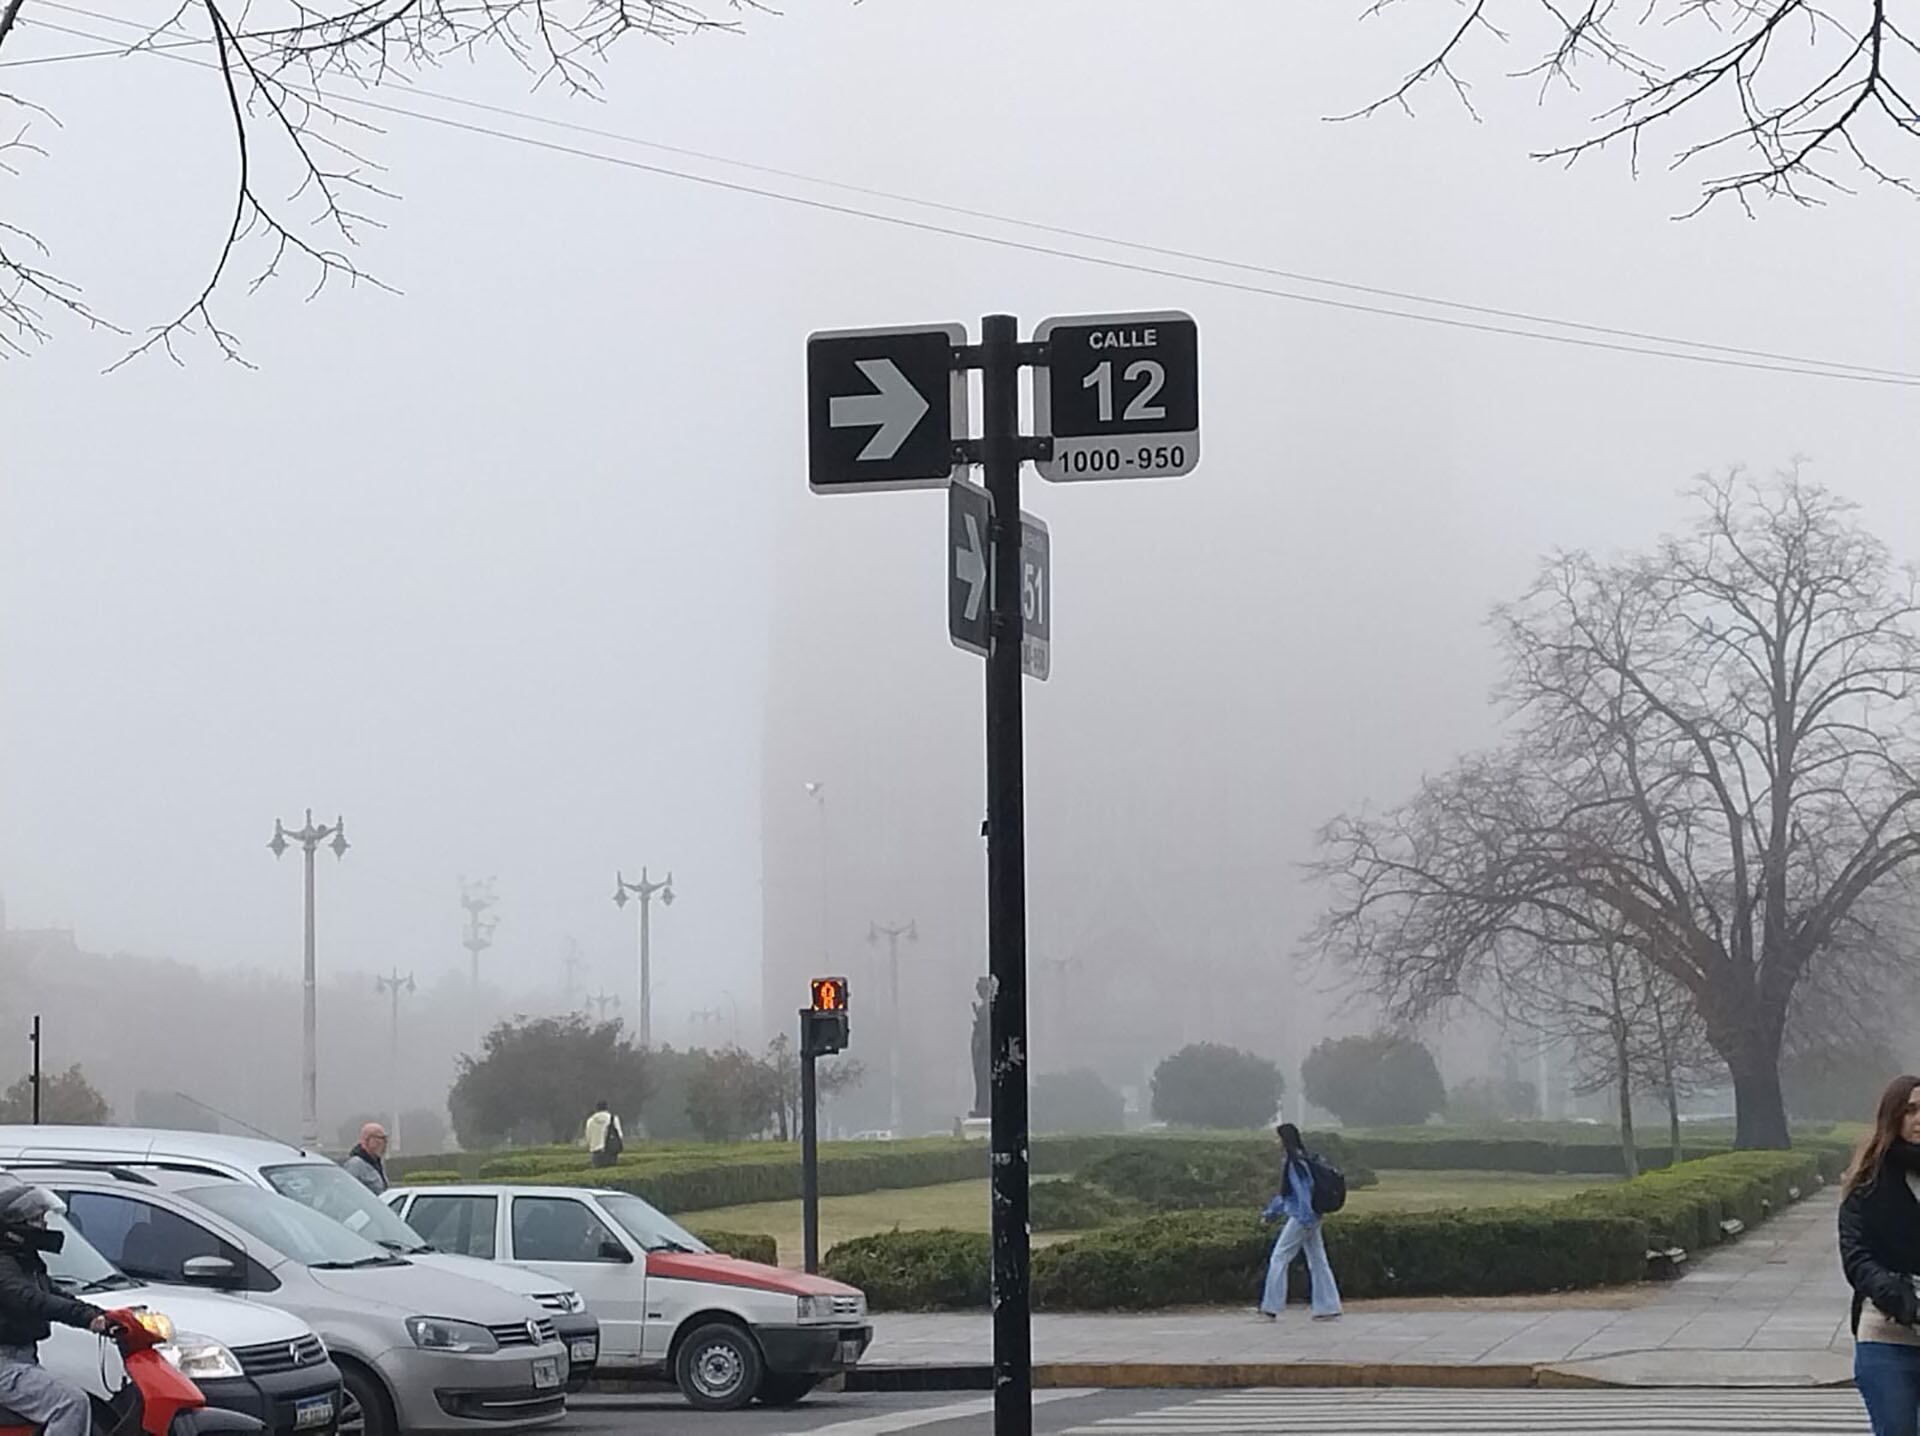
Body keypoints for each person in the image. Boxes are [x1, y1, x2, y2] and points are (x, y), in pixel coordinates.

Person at [0, 1173, 115, 1436]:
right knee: (70, 1403)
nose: (43, 1224)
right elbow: (30, 1299)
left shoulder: (25, 1262)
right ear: (13, 1227)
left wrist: (104, 1315)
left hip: (22, 1359)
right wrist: (87, 1319)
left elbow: (56, 1294)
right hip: (5, 1364)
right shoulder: (4, 1264)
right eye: (36, 1219)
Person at [1841, 1075, 1920, 1435]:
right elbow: (1856, 1256)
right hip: (1888, 1336)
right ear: (1893, 1117)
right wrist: (1897, 1295)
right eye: (1910, 1110)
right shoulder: (1867, 1182)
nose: (1919, 1119)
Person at [1258, 1123, 1342, 1321]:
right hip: (1313, 1216)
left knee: (1279, 1257)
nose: (1274, 1141)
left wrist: (1301, 1218)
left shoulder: (1293, 1162)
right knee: (1318, 1260)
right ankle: (1328, 1306)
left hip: (1302, 1217)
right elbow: (1290, 1195)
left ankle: (1271, 1306)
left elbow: (1298, 1193)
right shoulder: (1303, 1157)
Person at [341, 1123, 389, 1194]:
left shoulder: (378, 1163)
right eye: (381, 1138)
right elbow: (346, 1192)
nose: (385, 1143)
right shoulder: (355, 1165)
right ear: (366, 1140)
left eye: (385, 1139)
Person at [584, 1101, 623, 1169]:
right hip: (610, 1151)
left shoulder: (590, 1121)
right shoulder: (613, 1119)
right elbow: (619, 1135)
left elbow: (588, 1137)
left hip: (596, 1152)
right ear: (607, 1108)